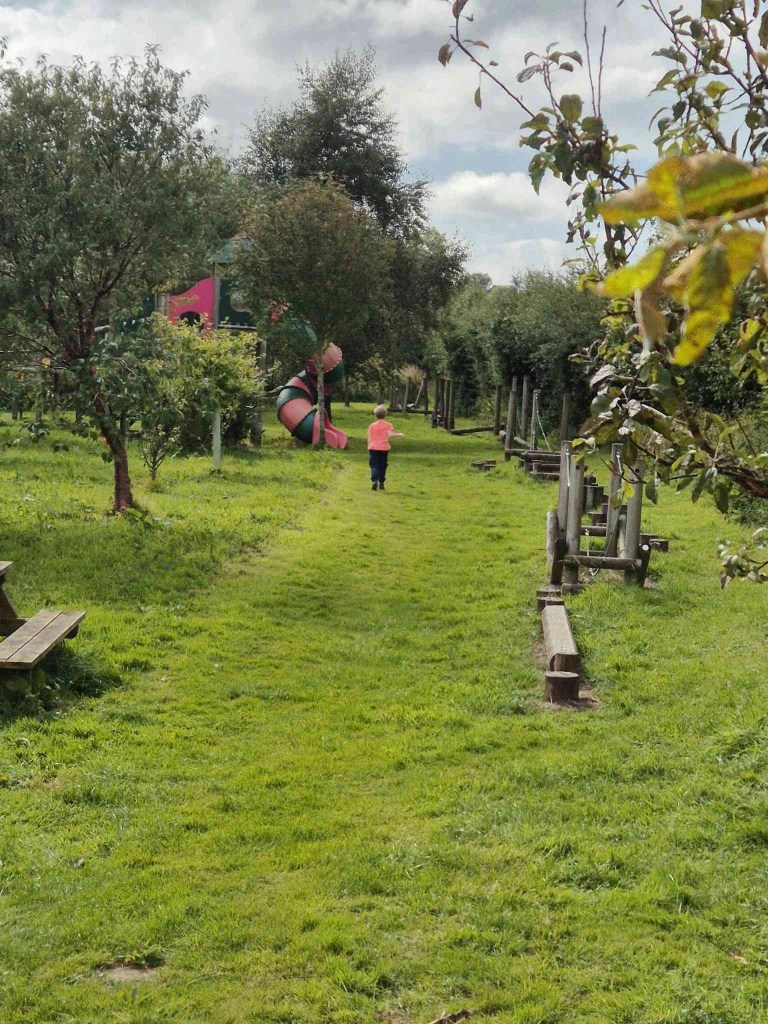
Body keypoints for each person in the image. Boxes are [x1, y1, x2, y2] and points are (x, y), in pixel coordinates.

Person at [367, 404, 404, 491]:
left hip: (373, 448)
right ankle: (381, 482)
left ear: (375, 415)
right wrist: (399, 434)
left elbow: (369, 436)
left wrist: (369, 446)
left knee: (374, 465)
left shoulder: (372, 425)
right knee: (382, 466)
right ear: (385, 414)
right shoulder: (388, 425)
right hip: (384, 448)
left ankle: (374, 480)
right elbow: (390, 435)